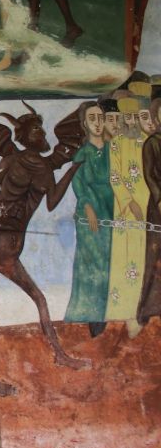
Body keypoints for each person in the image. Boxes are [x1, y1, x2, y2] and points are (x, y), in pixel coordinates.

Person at [64, 101, 112, 337]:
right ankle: (93, 316)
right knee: (93, 264)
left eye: (100, 118)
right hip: (91, 214)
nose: (97, 123)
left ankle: (109, 310)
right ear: (84, 123)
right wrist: (87, 205)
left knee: (112, 262)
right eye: (92, 118)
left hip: (113, 210)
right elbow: (78, 183)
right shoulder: (82, 153)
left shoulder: (113, 149)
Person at [105, 95, 151, 338]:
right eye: (128, 117)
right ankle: (125, 312)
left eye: (135, 116)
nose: (132, 121)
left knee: (145, 260)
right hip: (126, 212)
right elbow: (115, 176)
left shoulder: (147, 141)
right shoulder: (116, 143)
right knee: (126, 261)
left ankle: (142, 310)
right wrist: (129, 202)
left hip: (149, 207)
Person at [138, 97, 161, 326]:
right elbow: (149, 175)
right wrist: (159, 199)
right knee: (155, 257)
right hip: (158, 208)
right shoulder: (152, 143)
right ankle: (149, 307)